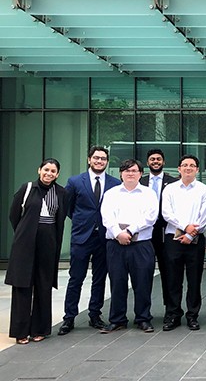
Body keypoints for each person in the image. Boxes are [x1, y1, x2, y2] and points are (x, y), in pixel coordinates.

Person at [6, 159, 69, 344]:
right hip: (24, 244)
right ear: (39, 170)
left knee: (43, 285)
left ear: (57, 174)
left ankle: (39, 329)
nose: (49, 173)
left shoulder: (61, 193)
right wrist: (25, 233)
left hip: (48, 244)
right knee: (22, 286)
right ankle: (20, 331)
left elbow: (61, 217)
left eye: (53, 171)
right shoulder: (26, 189)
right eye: (46, 169)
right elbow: (14, 215)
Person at [59, 146, 120, 335]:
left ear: (107, 162)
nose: (99, 161)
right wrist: (83, 222)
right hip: (81, 237)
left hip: (104, 237)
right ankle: (69, 318)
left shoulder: (114, 183)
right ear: (89, 160)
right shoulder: (75, 181)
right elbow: (68, 208)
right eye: (96, 158)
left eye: (103, 159)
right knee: (76, 278)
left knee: (99, 278)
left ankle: (95, 314)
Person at [100, 159, 159, 334]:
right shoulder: (111, 193)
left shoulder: (149, 194)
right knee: (117, 282)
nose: (130, 173)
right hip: (115, 244)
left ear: (141, 174)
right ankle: (117, 319)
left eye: (134, 170)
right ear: (121, 173)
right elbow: (106, 217)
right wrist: (119, 233)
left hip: (140, 245)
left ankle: (143, 318)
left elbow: (151, 217)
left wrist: (130, 231)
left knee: (142, 282)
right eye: (126, 170)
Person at [160, 154, 206, 331]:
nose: (188, 168)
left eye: (192, 165)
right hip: (172, 238)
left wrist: (191, 234)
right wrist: (185, 227)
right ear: (179, 169)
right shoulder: (169, 189)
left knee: (194, 279)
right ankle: (173, 314)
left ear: (197, 169)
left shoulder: (204, 190)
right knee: (173, 279)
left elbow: (204, 217)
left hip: (196, 239)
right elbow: (166, 213)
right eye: (184, 165)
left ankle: (192, 315)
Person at [140, 148, 178, 311]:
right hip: (144, 231)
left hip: (165, 231)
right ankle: (143, 311)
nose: (156, 162)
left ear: (163, 162)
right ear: (147, 163)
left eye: (159, 159)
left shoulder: (173, 182)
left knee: (168, 271)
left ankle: (170, 309)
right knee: (143, 271)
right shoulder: (140, 182)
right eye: (152, 159)